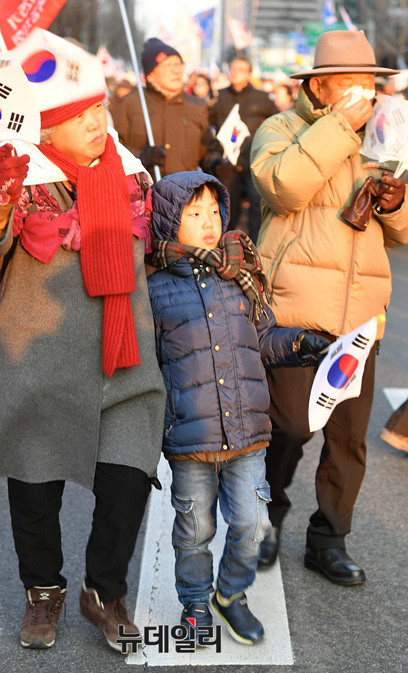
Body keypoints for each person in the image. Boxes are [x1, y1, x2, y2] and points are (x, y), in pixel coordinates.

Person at [0, 33, 166, 651]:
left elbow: (165, 245)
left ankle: (102, 591)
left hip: (125, 359)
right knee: (34, 490)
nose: (96, 122)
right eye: (78, 115)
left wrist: (193, 193)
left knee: (127, 480)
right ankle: (44, 591)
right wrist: (2, 194)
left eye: (98, 109)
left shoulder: (131, 172)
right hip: (39, 360)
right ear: (46, 128)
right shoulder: (19, 169)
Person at [250, 30, 408, 585]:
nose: (367, 95)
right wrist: (340, 127)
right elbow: (284, 188)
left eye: (372, 84)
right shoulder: (281, 128)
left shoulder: (386, 137)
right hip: (294, 312)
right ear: (319, 86)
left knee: (347, 438)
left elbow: (403, 234)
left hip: (362, 314)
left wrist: (397, 201)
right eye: (353, 85)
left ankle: (329, 539)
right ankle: (263, 518)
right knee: (290, 426)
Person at [147, 171, 329, 644]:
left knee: (252, 524)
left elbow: (265, 339)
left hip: (248, 430)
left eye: (213, 211)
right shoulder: (154, 288)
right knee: (194, 531)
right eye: (193, 214)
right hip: (189, 438)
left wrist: (303, 343)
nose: (208, 222)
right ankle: (194, 604)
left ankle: (231, 594)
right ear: (169, 221)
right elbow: (146, 365)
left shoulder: (239, 276)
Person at [111, 38, 222, 180]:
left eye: (178, 64)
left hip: (185, 194)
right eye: (167, 65)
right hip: (146, 193)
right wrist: (141, 157)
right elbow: (113, 147)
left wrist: (214, 160)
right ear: (150, 74)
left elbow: (205, 149)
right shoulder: (130, 104)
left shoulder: (197, 105)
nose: (175, 70)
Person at [210, 57, 278, 242]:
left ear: (249, 73)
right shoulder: (219, 97)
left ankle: (256, 250)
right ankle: (223, 250)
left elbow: (277, 123)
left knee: (257, 210)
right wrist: (214, 155)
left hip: (254, 161)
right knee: (226, 211)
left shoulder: (261, 98)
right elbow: (207, 126)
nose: (236, 72)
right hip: (227, 164)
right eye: (233, 68)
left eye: (241, 69)